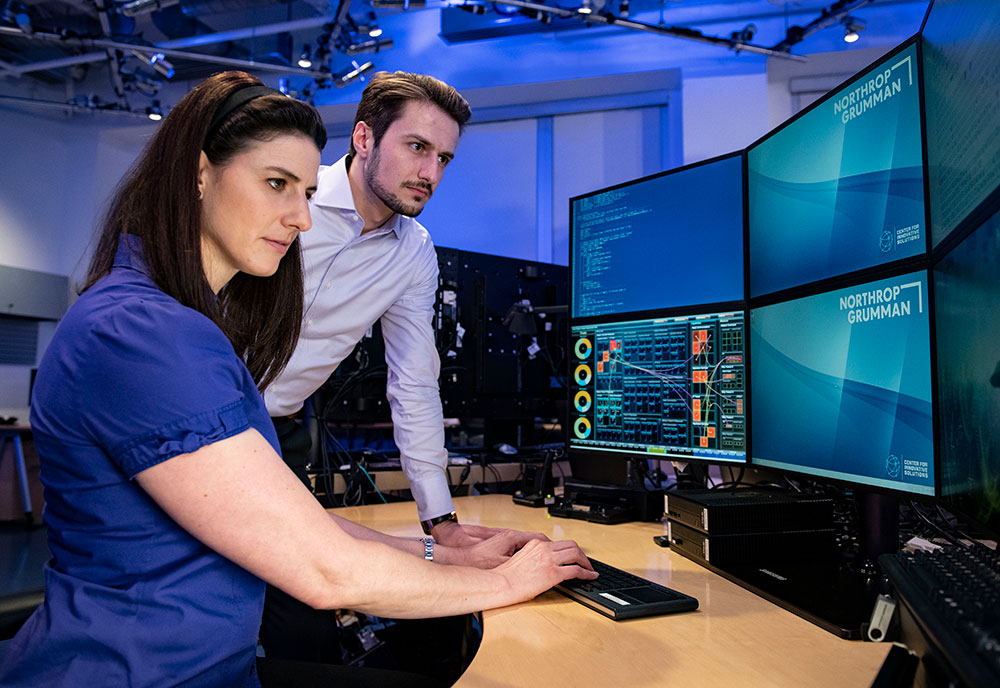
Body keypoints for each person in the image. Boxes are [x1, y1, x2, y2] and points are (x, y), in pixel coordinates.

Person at [0, 71, 596, 688]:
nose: (301, 219)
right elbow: (323, 568)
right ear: (200, 174)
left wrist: (442, 546)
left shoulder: (168, 322)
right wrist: (503, 582)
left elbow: (322, 500)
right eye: (277, 184)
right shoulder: (147, 333)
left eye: (305, 192)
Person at [259, 70, 550, 664]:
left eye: (444, 157)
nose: (431, 174)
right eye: (417, 147)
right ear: (363, 138)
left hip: (278, 434)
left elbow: (413, 385)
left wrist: (439, 521)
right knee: (281, 620)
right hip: (208, 420)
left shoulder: (414, 251)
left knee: (306, 635)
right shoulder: (289, 204)